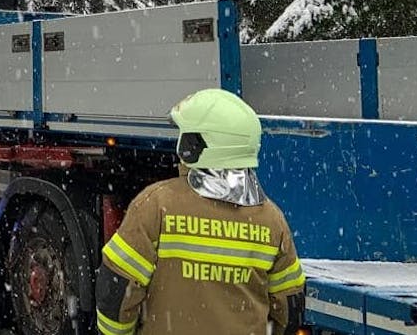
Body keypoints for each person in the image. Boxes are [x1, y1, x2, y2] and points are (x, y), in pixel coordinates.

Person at [97, 88, 306, 335]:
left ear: (193, 146)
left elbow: (116, 292)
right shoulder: (272, 220)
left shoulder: (156, 206)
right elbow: (290, 309)